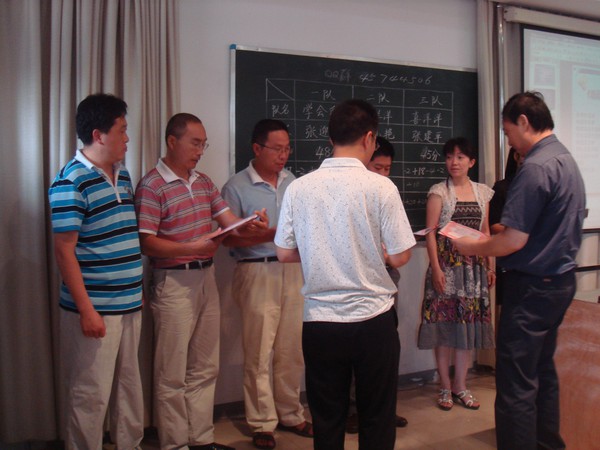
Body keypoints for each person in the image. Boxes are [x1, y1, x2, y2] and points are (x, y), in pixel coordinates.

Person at [274, 99, 416, 450]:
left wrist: (320, 254)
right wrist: (376, 253)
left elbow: (284, 252)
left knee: (327, 419)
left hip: (320, 321)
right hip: (374, 319)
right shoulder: (381, 187)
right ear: (369, 138)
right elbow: (401, 255)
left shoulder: (298, 187)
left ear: (330, 138)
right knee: (377, 417)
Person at [453, 91, 585, 450]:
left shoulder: (536, 167)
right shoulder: (565, 159)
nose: (509, 141)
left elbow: (513, 240)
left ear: (524, 121)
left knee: (515, 384)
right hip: (559, 282)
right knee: (542, 372)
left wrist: (472, 246)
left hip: (531, 289)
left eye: (508, 132)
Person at [135, 113, 265, 450]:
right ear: (172, 141)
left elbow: (228, 221)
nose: (200, 151)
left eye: (203, 144)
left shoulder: (204, 181)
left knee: (205, 366)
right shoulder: (152, 185)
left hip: (206, 276)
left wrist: (251, 223)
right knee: (172, 372)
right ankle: (175, 443)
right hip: (173, 281)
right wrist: (190, 247)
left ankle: (201, 439)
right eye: (195, 143)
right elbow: (146, 242)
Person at [48, 93, 144, 449]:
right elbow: (64, 251)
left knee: (129, 387)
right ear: (98, 135)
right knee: (90, 394)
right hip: (95, 308)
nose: (127, 138)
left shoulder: (122, 174)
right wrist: (87, 310)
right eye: (122, 130)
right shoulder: (70, 181)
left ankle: (130, 444)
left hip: (130, 302)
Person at [221, 119, 312, 450]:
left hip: (293, 270)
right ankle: (262, 422)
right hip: (256, 271)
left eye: (287, 149)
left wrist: (269, 233)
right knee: (259, 351)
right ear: (257, 148)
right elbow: (227, 238)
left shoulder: (294, 183)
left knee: (291, 349)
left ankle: (290, 412)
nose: (283, 155)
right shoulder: (235, 186)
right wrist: (264, 235)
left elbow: (305, 229)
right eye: (277, 149)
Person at [417, 137, 495, 412]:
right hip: (447, 268)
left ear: (471, 162)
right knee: (444, 329)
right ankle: (445, 387)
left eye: (460, 157)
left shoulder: (483, 192)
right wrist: (436, 269)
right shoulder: (439, 192)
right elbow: (430, 234)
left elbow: (485, 232)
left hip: (473, 271)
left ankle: (461, 386)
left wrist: (490, 265)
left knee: (466, 329)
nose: (454, 162)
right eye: (450, 156)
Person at [346, 136, 408, 434]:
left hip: (387, 279)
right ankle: (354, 410)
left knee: (384, 351)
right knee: (356, 351)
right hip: (357, 283)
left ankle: (382, 409)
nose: (383, 174)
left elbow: (400, 246)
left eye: (387, 169)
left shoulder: (387, 193)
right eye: (378, 167)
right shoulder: (351, 194)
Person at [489, 147, 522, 306]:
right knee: (509, 306)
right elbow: (493, 225)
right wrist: (519, 233)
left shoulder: (538, 186)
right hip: (509, 257)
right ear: (516, 156)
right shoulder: (502, 187)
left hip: (533, 260)